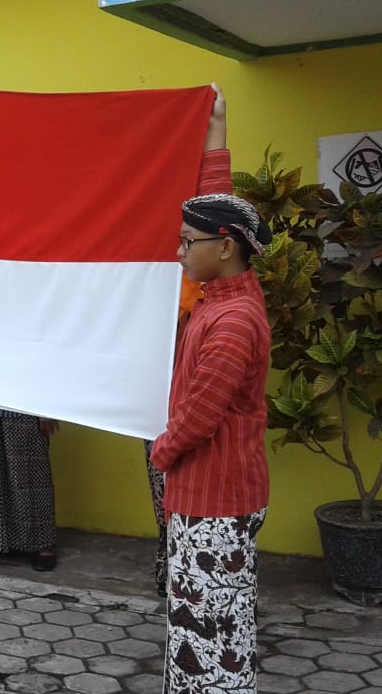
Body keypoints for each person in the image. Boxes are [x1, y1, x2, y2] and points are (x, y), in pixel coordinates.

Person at [150, 189, 272, 692]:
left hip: (215, 499)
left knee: (209, 634)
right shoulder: (226, 300)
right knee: (209, 624)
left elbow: (201, 415)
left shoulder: (234, 320)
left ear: (225, 247)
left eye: (186, 242)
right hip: (211, 494)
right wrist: (216, 123)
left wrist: (162, 451)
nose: (179, 253)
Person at [144, 83, 233, 598]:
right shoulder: (150, 258)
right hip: (154, 388)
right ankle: (172, 565)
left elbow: (215, 198)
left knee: (194, 489)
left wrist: (215, 125)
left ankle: (195, 577)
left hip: (191, 410)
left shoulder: (218, 292)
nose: (182, 246)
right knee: (164, 495)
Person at [0, 404, 59, 570]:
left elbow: (47, 376)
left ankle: (43, 545)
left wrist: (45, 410)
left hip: (26, 407)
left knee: (31, 477)